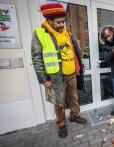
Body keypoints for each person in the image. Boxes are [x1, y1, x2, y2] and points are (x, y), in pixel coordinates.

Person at [31, 3, 87, 138]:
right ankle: (61, 125)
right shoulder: (40, 33)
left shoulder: (67, 32)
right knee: (59, 102)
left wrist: (78, 66)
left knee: (74, 98)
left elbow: (73, 50)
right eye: (59, 22)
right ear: (50, 20)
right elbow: (36, 57)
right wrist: (44, 79)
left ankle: (75, 115)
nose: (62, 25)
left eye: (63, 21)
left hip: (72, 73)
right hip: (56, 76)